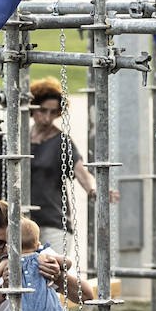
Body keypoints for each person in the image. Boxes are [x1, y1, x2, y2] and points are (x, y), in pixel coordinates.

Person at [29, 77, 98, 255]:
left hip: (53, 222)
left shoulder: (61, 141)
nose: (47, 118)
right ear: (32, 108)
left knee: (57, 275)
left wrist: (93, 189)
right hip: (24, 222)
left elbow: (80, 171)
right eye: (42, 110)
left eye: (53, 113)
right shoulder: (20, 139)